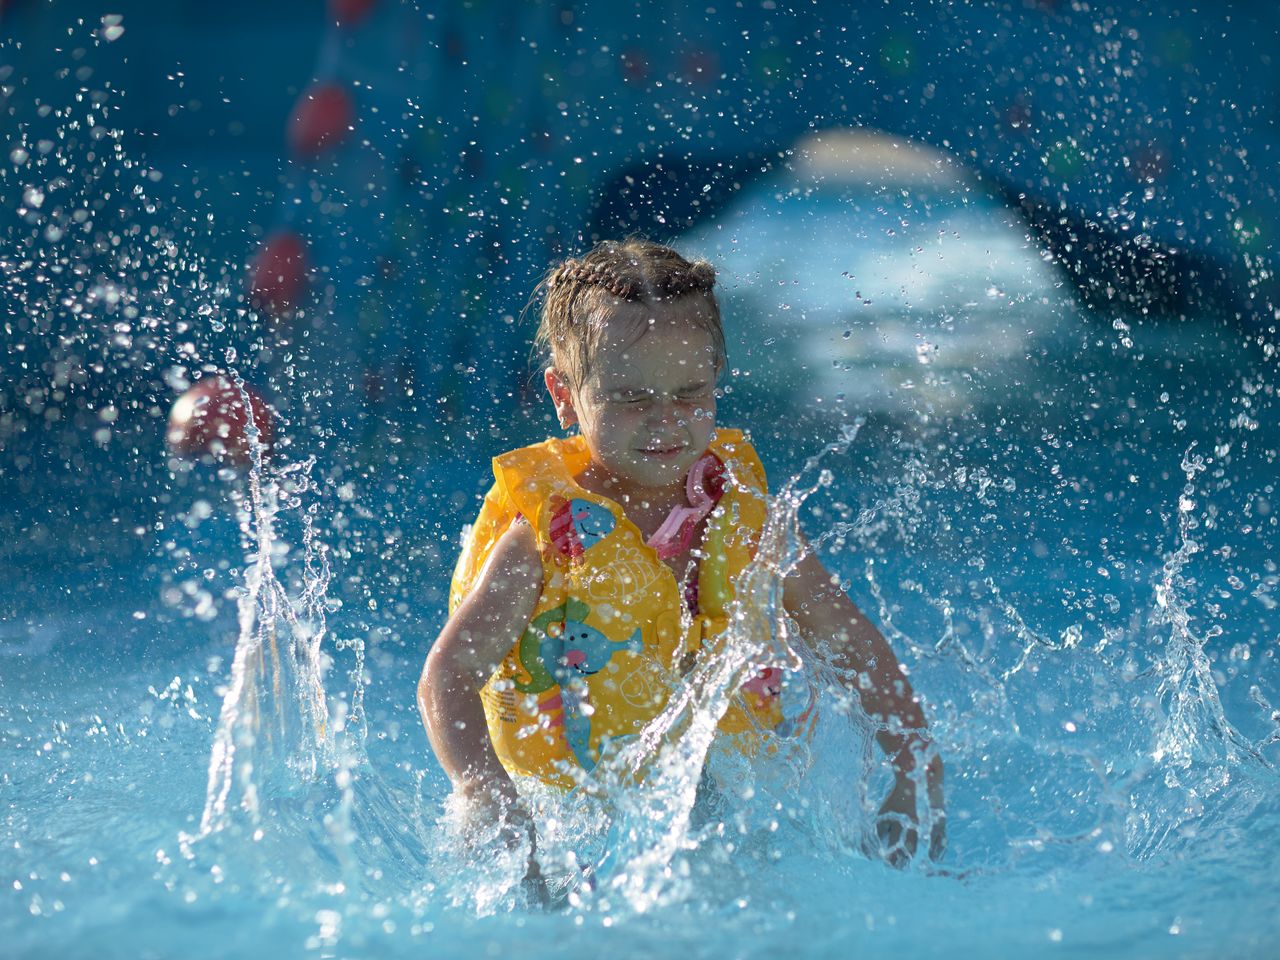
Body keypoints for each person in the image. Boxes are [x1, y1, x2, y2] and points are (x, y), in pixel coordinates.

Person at [418, 238, 944, 885]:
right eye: (632, 398)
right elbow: (447, 676)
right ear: (565, 394)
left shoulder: (748, 521)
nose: (665, 420)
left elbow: (849, 643)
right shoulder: (544, 537)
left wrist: (912, 763)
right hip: (576, 817)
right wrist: (488, 798)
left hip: (725, 802)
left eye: (690, 392)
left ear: (717, 375)